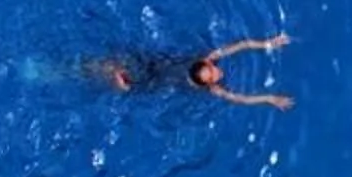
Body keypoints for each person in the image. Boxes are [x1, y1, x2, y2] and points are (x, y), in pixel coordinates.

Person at [95, 34, 294, 110]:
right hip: (152, 75)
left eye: (212, 71)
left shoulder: (210, 56)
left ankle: (100, 70)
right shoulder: (213, 89)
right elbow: (240, 99)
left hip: (155, 67)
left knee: (117, 69)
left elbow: (244, 44)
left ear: (207, 62)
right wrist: (269, 98)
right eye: (212, 77)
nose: (217, 75)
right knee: (123, 80)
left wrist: (268, 43)